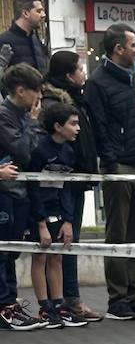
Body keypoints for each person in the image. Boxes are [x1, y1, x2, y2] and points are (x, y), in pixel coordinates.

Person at [86, 23, 135, 320]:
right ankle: (117, 298)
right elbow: (99, 127)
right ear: (118, 49)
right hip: (119, 165)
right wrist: (111, 160)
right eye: (133, 45)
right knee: (117, 234)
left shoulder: (132, 78)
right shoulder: (98, 82)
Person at [40, 50, 100, 322]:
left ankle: (70, 298)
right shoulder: (55, 102)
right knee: (63, 241)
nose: (84, 73)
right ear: (68, 74)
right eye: (80, 69)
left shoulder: (79, 98)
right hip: (64, 179)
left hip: (78, 178)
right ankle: (63, 301)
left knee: (70, 240)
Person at [27, 101, 83, 327]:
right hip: (37, 210)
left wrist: (67, 220)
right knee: (40, 255)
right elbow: (32, 186)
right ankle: (44, 307)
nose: (78, 128)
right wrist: (40, 223)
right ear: (58, 127)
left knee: (57, 256)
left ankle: (59, 305)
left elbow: (66, 188)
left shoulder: (68, 152)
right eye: (73, 124)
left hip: (58, 211)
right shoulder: (39, 149)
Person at [0, 62, 39, 329]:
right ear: (20, 90)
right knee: (4, 251)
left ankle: (9, 303)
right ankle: (6, 305)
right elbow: (24, 151)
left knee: (11, 251)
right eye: (35, 90)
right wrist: (33, 124)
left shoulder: (22, 115)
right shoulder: (6, 116)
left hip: (19, 191)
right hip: (6, 192)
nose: (38, 97)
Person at [0, 0, 45, 73]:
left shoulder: (36, 40)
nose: (43, 15)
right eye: (39, 11)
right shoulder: (3, 41)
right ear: (26, 13)